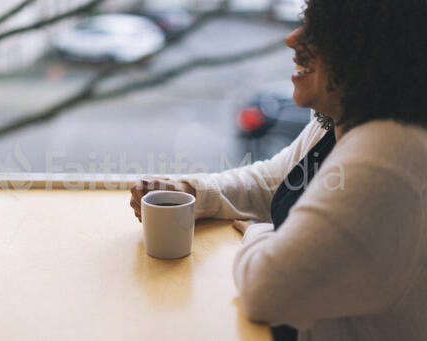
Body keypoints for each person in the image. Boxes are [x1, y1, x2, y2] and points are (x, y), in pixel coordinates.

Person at [130, 0, 427, 340]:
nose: (292, 39)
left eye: (317, 31)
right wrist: (194, 193)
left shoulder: (387, 157)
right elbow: (276, 179)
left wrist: (261, 230)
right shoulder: (338, 123)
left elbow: (264, 290)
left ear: (369, 47)